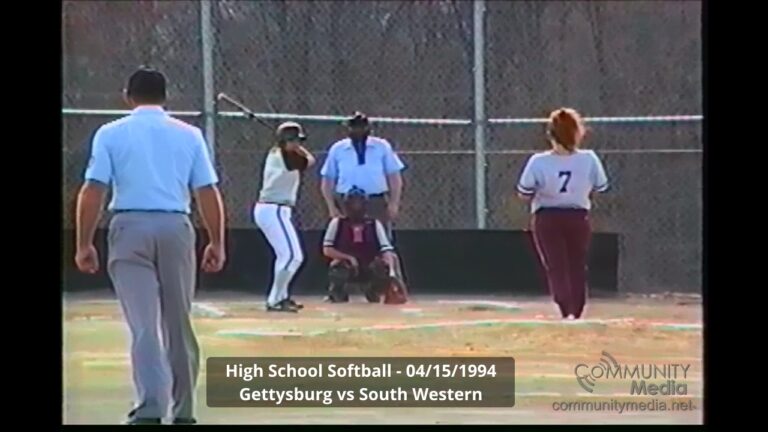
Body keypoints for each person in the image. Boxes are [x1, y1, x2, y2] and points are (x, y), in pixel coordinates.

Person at [74, 67, 226, 424]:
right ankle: (184, 411)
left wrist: (84, 242)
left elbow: (94, 189)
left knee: (144, 324)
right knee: (178, 323)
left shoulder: (110, 134)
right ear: (165, 97)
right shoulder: (189, 135)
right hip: (176, 226)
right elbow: (206, 191)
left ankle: (150, 407)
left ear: (128, 96)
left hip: (129, 227)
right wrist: (217, 240)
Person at [517, 108, 609, 320]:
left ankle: (564, 307)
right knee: (577, 263)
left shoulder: (538, 161)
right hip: (577, 216)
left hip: (547, 218)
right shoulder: (589, 159)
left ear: (551, 135)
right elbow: (602, 186)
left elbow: (524, 192)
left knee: (556, 265)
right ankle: (576, 310)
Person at [253, 121, 315, 313]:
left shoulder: (282, 153)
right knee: (291, 256)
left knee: (289, 256)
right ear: (284, 141)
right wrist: (296, 148)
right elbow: (310, 161)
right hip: (274, 209)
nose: (297, 145)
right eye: (294, 141)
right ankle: (275, 299)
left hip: (276, 210)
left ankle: (281, 297)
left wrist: (293, 145)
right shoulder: (285, 157)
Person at [320, 112, 405, 236]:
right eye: (354, 127)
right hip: (346, 202)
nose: (358, 130)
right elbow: (328, 180)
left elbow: (394, 177)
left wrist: (394, 203)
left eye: (361, 127)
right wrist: (331, 206)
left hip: (375, 201)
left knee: (379, 240)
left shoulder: (382, 146)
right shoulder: (338, 149)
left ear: (368, 128)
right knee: (345, 239)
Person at [321, 187, 406, 304]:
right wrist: (348, 258)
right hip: (348, 264)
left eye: (359, 203)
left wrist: (391, 273)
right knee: (338, 267)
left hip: (369, 264)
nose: (356, 207)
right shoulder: (337, 223)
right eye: (353, 203)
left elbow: (386, 250)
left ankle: (374, 291)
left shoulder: (374, 224)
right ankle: (337, 293)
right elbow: (327, 249)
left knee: (381, 266)